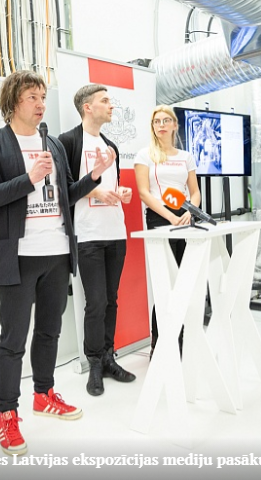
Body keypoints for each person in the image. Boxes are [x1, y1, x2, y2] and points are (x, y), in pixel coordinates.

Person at [0, 70, 114, 455]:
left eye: (43, 97)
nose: (41, 104)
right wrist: (28, 178)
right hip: (18, 257)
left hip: (56, 252)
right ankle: (7, 414)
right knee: (12, 341)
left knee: (49, 332)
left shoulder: (51, 143)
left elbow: (66, 193)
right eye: (32, 97)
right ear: (13, 102)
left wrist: (94, 176)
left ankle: (44, 394)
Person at [58, 84, 136, 397]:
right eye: (105, 101)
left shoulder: (110, 145)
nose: (111, 106)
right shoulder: (67, 142)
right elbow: (63, 190)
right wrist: (95, 191)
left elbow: (112, 186)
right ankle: (93, 363)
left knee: (112, 300)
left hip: (115, 232)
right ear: (87, 107)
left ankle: (108, 357)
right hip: (88, 234)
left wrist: (120, 193)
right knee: (96, 302)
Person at [134, 105, 201, 359]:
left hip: (185, 217)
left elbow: (194, 191)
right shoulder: (144, 155)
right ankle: (159, 346)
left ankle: (181, 342)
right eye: (156, 121)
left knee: (183, 283)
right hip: (159, 219)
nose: (161, 125)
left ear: (174, 125)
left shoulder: (186, 156)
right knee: (165, 285)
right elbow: (144, 193)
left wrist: (190, 211)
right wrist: (170, 217)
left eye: (165, 120)